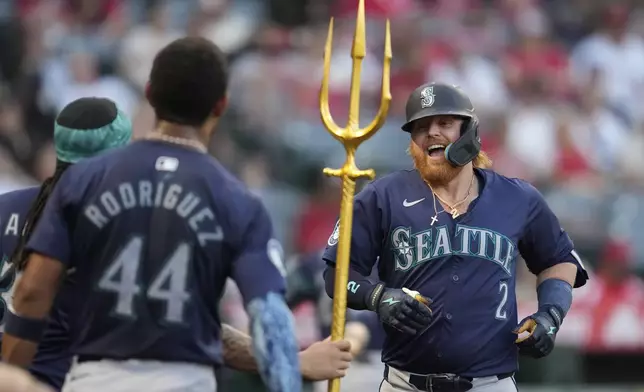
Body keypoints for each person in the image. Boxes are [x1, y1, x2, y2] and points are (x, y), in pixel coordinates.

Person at [2, 37, 302, 392]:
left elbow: (33, 291)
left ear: (149, 93)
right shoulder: (237, 198)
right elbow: (269, 318)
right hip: (187, 380)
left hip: (97, 378)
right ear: (221, 105)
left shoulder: (84, 182)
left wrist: (13, 372)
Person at [322, 82, 589, 392]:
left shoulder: (517, 198)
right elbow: (336, 273)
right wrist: (376, 296)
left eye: (445, 123)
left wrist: (550, 315)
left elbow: (560, 260)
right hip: (406, 385)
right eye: (421, 127)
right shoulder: (383, 196)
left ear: (469, 133)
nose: (432, 132)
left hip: (491, 385)